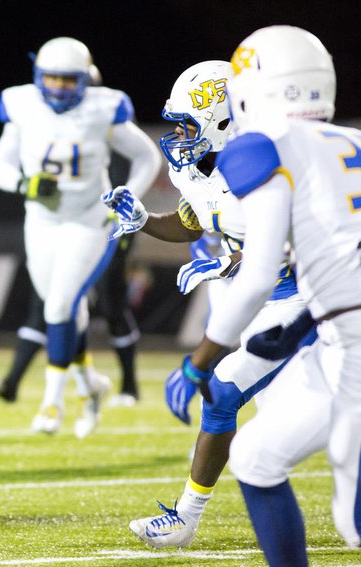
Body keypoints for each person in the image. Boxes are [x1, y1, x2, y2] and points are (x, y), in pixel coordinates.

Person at [171, 26, 360, 566]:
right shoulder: (353, 142)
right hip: (337, 331)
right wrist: (300, 329)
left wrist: (198, 362)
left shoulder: (260, 148)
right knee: (255, 456)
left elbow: (257, 276)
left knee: (354, 520)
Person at [101, 60, 307, 549]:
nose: (177, 135)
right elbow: (195, 221)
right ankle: (187, 520)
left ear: (221, 120)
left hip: (305, 301)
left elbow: (299, 243)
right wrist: (145, 220)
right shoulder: (198, 166)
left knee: (234, 394)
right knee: (259, 418)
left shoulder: (266, 163)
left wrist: (234, 262)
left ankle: (186, 519)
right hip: (262, 301)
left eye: (187, 124)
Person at [0, 36, 161, 435]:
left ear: (85, 79)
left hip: (89, 217)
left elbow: (146, 155)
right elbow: (1, 165)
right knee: (65, 310)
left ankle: (52, 405)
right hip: (42, 220)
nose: (60, 88)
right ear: (38, 77)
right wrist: (24, 184)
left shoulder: (103, 107)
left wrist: (128, 194)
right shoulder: (22, 104)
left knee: (59, 306)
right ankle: (91, 386)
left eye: (69, 80)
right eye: (53, 79)